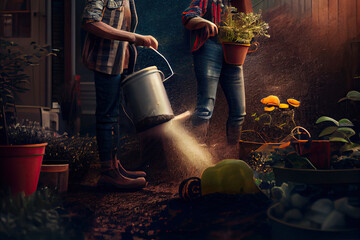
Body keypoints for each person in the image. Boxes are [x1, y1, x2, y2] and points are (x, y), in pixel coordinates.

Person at [81, 0, 158, 189]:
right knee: (107, 117)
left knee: (114, 117)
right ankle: (108, 173)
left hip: (119, 62)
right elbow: (90, 21)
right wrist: (134, 37)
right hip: (105, 61)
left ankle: (116, 167)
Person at [182, 0, 253, 145]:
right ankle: (195, 160)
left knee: (239, 112)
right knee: (205, 109)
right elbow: (188, 17)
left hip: (233, 49)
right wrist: (204, 22)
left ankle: (233, 157)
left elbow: (250, 24)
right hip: (209, 46)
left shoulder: (240, 2)